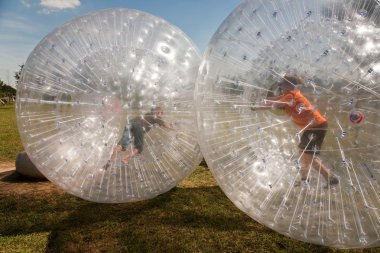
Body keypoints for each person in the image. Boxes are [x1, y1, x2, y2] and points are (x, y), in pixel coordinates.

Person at [253, 73, 339, 185]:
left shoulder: (291, 96)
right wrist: (262, 98)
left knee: (307, 156)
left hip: (316, 127)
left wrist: (255, 107)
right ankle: (316, 179)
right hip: (313, 127)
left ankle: (321, 178)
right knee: (304, 154)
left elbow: (274, 104)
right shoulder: (290, 94)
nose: (280, 87)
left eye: (282, 85)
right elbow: (274, 99)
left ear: (288, 85)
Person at [107, 106, 175, 166]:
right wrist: (174, 129)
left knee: (122, 144)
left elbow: (162, 123)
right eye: (161, 113)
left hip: (130, 123)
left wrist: (169, 124)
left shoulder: (148, 114)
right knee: (139, 148)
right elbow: (164, 124)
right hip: (139, 126)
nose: (162, 114)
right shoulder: (155, 116)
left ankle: (110, 160)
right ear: (158, 112)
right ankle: (125, 158)